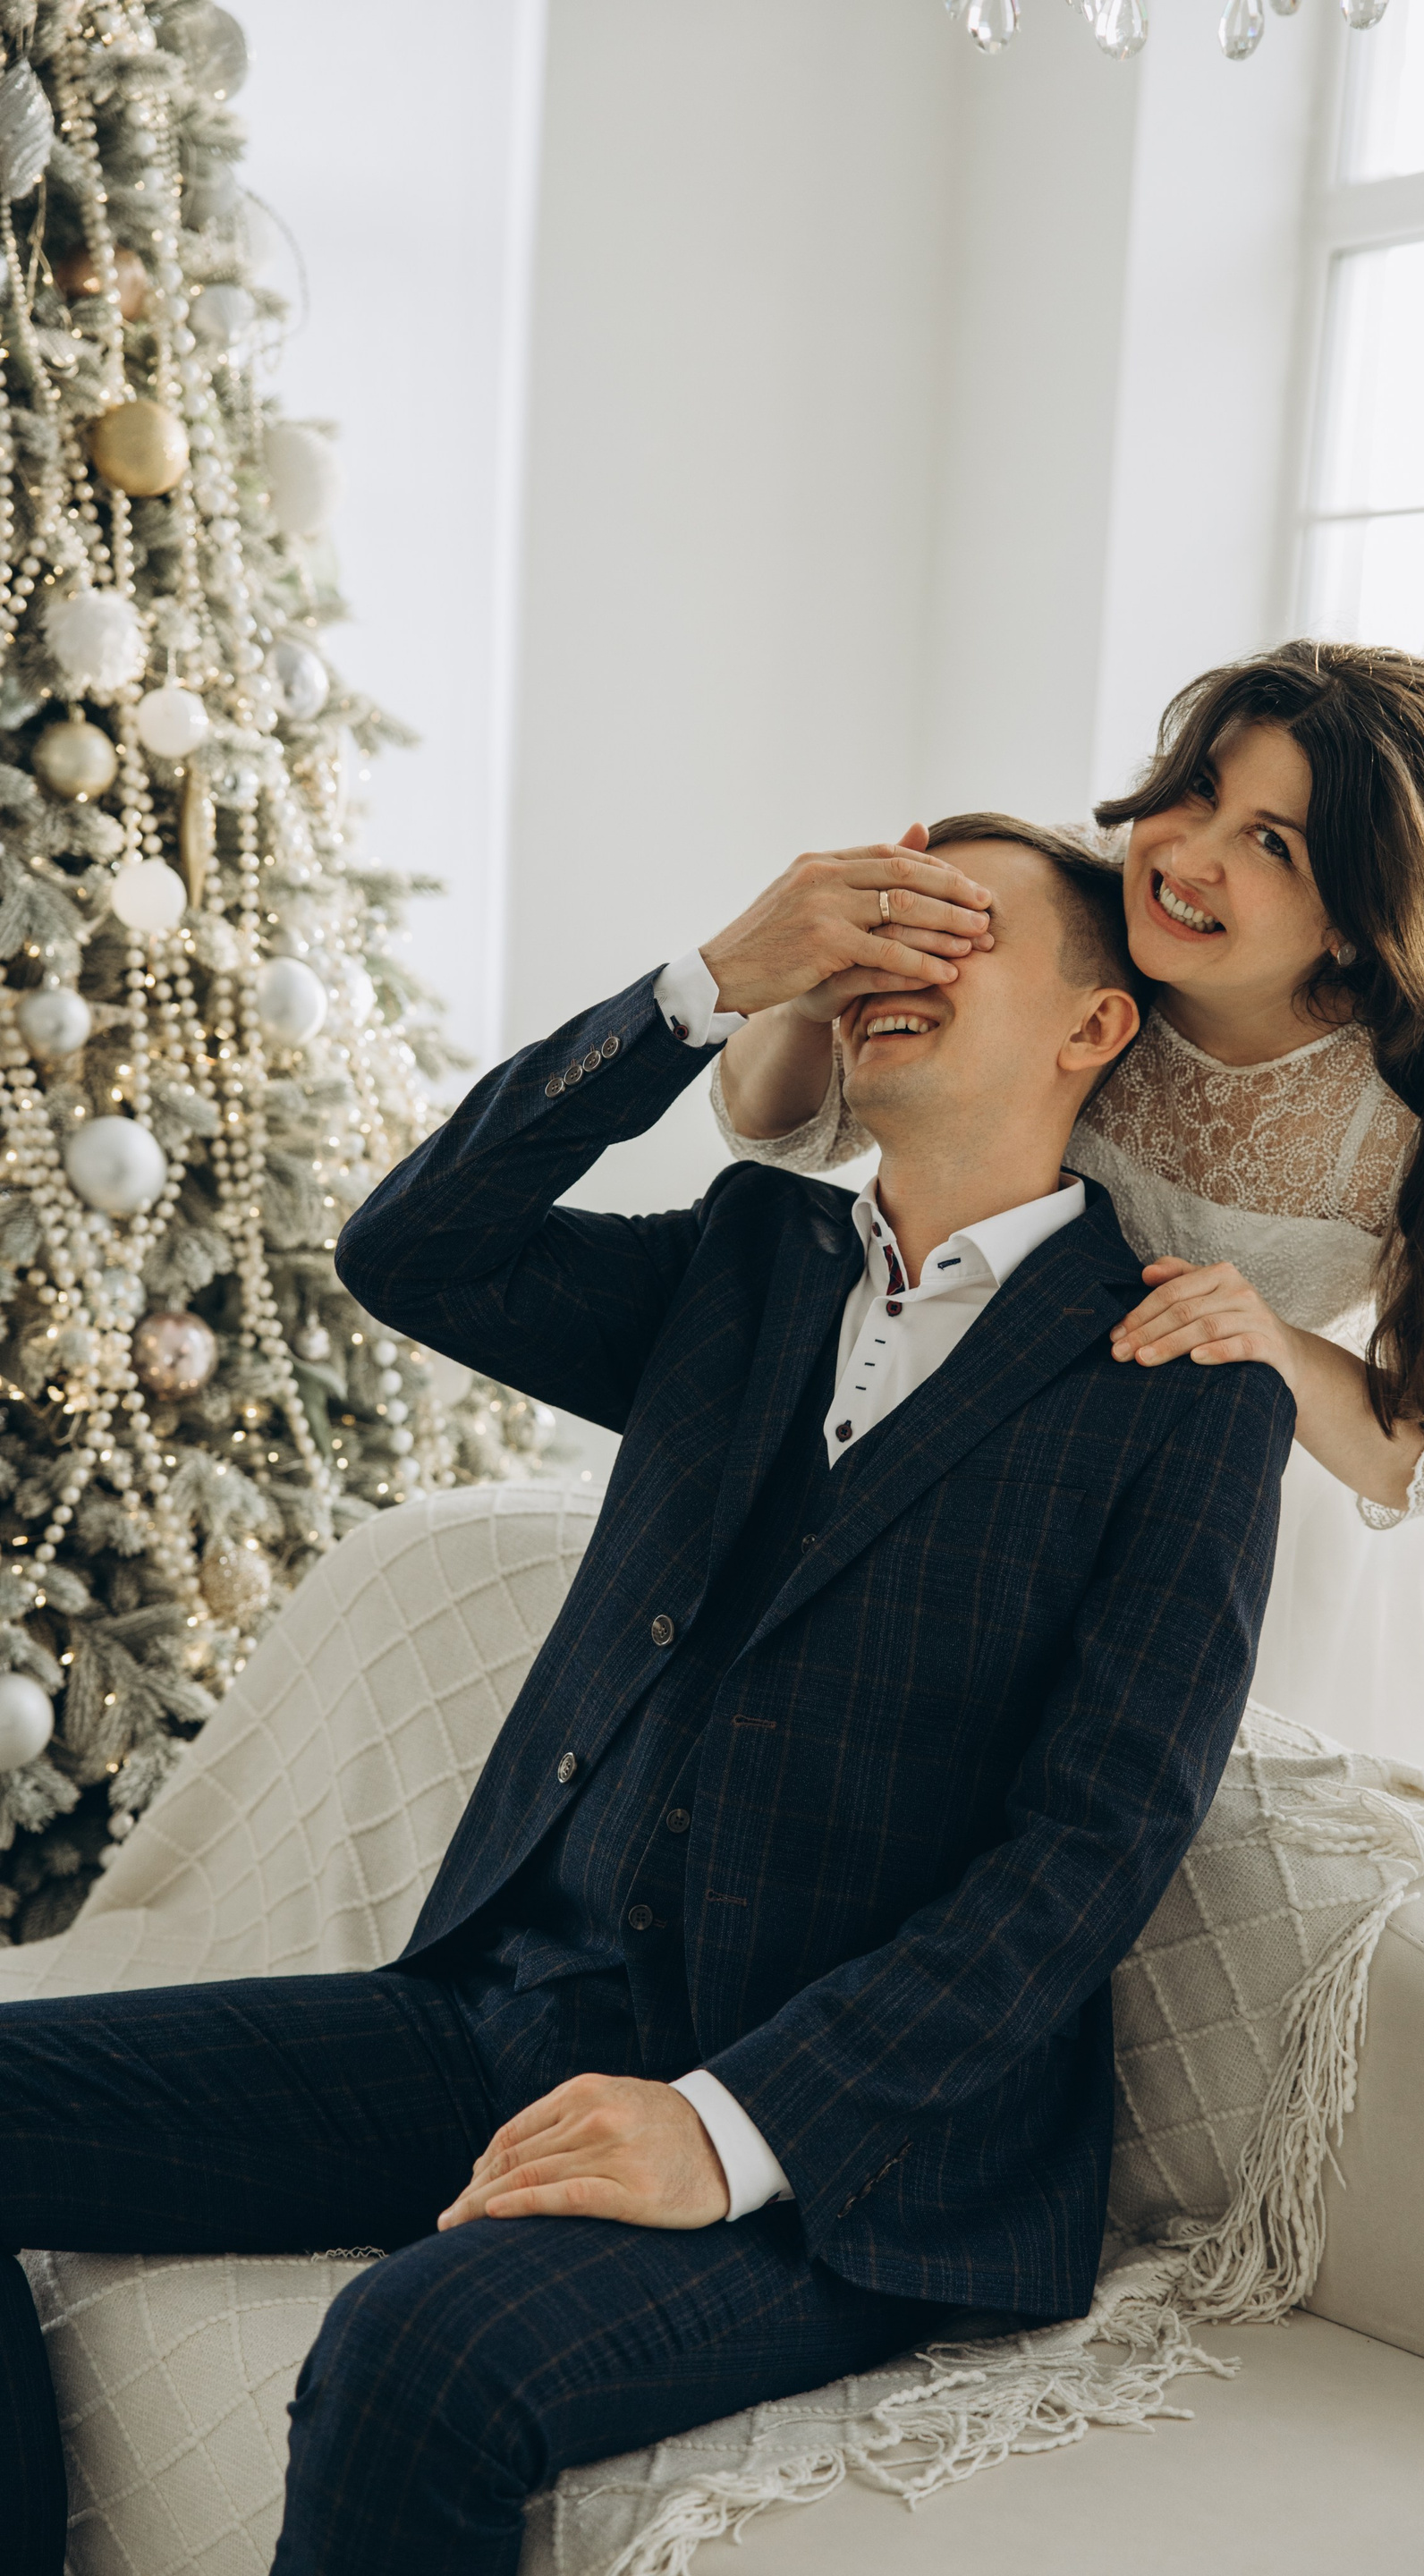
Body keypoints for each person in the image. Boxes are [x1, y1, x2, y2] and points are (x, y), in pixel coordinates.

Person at [0, 829, 1294, 2576]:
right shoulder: (750, 1255)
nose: (895, 962)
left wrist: (724, 2128)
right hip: (498, 2018)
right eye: (878, 926)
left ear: (1095, 1027)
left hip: (843, 2151)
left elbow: (1086, 1860)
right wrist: (713, 984)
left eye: (960, 931)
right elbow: (410, 1250)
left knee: (417, 2351)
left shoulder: (1183, 1391)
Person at [712, 643, 1424, 1902]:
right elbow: (786, 1131)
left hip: (1229, 1532)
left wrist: (1275, 1346)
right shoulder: (1062, 908)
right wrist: (801, 991)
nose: (1190, 856)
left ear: (1359, 914)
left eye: (1273, 844)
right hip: (976, 1446)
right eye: (1197, 790)